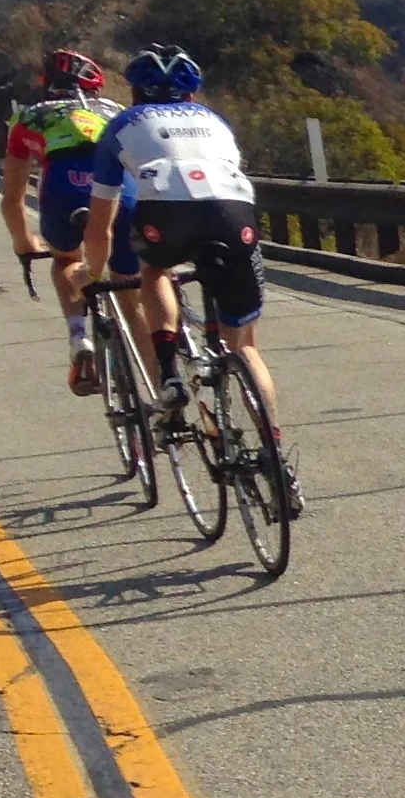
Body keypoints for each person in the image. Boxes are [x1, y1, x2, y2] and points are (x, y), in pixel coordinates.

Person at [80, 46, 302, 517]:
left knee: (155, 270)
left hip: (166, 216)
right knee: (246, 346)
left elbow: (101, 224)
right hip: (233, 216)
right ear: (193, 93)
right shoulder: (215, 121)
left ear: (134, 92)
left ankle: (169, 372)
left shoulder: (121, 126)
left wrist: (93, 274)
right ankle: (275, 455)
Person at [0, 47, 132, 394]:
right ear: (95, 87)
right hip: (117, 192)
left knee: (66, 261)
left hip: (62, 189)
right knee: (130, 272)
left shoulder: (30, 117)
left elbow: (11, 200)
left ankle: (78, 336)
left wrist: (25, 243)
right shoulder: (116, 112)